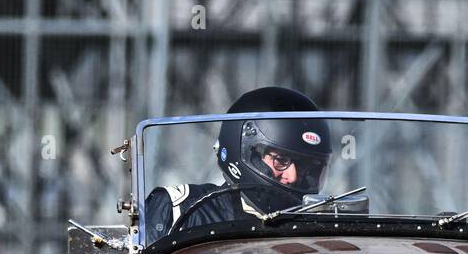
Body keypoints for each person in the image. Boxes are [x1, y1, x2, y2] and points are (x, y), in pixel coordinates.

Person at [142, 86, 333, 245]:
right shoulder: (180, 209)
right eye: (281, 161)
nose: (292, 176)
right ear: (243, 148)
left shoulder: (324, 228)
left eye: (306, 167)